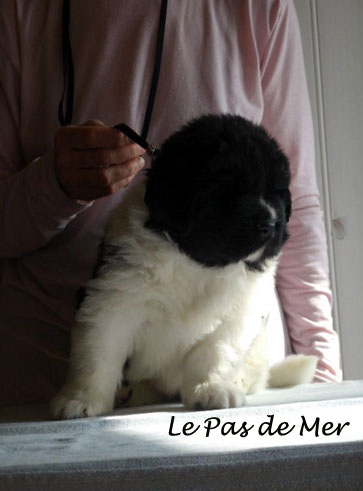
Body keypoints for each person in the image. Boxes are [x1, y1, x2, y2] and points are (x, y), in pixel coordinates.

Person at [0, 0, 341, 407]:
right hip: (44, 371)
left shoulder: (258, 6)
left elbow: (294, 203)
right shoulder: (19, 10)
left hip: (223, 369)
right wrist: (53, 184)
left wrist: (324, 377)